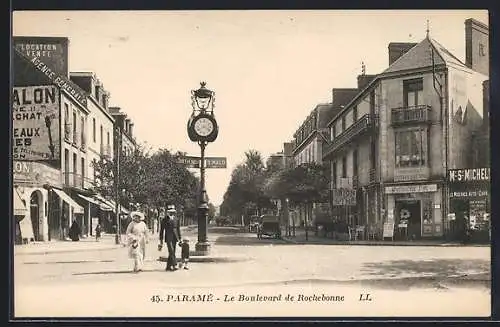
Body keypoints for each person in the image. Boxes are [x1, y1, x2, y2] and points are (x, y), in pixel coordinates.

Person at [158, 205, 181, 271]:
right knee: (171, 251)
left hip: (175, 237)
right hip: (168, 237)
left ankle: (168, 266)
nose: (172, 213)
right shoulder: (164, 220)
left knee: (172, 251)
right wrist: (161, 241)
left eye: (173, 212)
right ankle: (175, 265)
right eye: (170, 212)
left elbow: (178, 229)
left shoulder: (177, 219)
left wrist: (180, 239)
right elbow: (161, 231)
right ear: (168, 212)